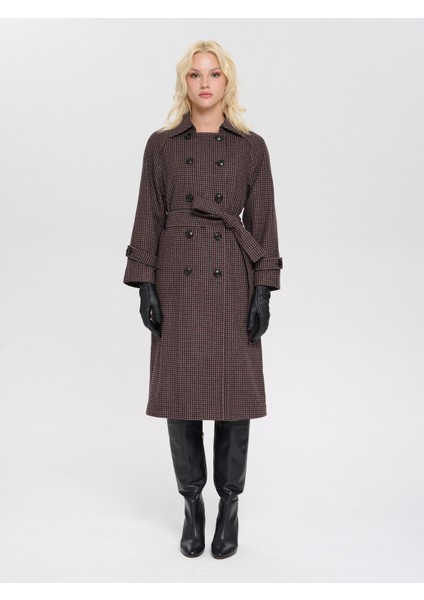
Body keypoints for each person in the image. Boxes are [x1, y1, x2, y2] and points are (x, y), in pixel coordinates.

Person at [123, 40, 283, 559]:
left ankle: (229, 504)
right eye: (195, 75)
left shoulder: (251, 147)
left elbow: (264, 222)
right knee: (181, 400)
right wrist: (145, 283)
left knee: (235, 402)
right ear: (184, 82)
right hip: (178, 279)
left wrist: (263, 288)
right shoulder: (161, 145)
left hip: (233, 279)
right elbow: (148, 214)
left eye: (214, 74)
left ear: (226, 82)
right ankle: (192, 504)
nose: (205, 82)